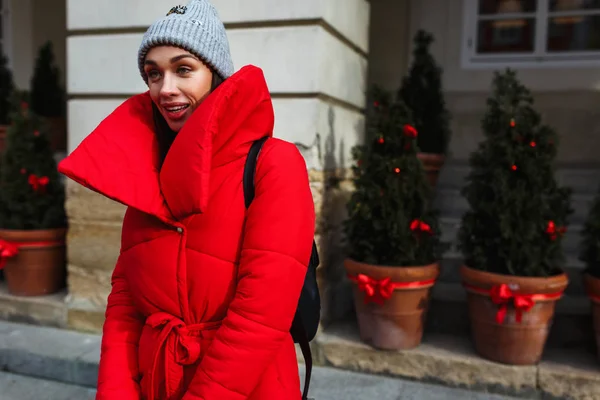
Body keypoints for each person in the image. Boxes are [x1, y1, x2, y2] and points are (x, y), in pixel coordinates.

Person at [58, 1, 316, 399]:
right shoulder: (148, 169)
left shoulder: (274, 164)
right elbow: (126, 301)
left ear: (215, 75)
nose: (166, 89)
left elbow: (260, 317)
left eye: (183, 69)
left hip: (249, 387)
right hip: (157, 381)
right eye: (153, 74)